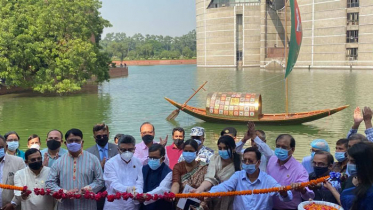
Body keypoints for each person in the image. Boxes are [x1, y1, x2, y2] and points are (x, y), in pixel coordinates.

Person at [209, 147, 292, 210]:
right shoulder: (238, 176)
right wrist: (209, 194)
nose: (247, 163)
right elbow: (224, 187)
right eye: (244, 160)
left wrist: (283, 193)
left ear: (258, 163)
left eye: (250, 161)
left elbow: (288, 197)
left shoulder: (267, 180)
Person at [46, 129, 104, 210]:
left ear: (82, 142)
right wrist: (64, 192)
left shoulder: (93, 159)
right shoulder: (59, 161)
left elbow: (100, 180)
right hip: (65, 205)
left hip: (87, 205)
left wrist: (88, 188)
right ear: (66, 143)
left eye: (77, 140)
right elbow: (49, 183)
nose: (74, 143)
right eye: (70, 141)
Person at [192, 135, 241, 210]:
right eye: (220, 148)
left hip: (233, 197)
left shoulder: (241, 161)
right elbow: (210, 178)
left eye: (225, 148)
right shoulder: (215, 158)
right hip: (215, 195)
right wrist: (200, 189)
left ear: (233, 149)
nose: (222, 150)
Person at [267, 134, 315, 210]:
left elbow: (309, 196)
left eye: (284, 147)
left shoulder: (300, 170)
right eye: (278, 146)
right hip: (269, 207)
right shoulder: (272, 160)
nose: (280, 149)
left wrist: (302, 189)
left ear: (292, 150)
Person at [325, 142, 373, 210]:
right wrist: (331, 188)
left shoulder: (370, 190)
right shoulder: (352, 178)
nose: (349, 164)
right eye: (348, 160)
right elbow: (346, 203)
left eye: (353, 161)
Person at [103, 135, 143, 210]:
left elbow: (140, 182)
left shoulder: (138, 162)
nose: (127, 152)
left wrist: (138, 193)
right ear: (118, 150)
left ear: (134, 149)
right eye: (124, 150)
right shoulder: (110, 163)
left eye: (130, 149)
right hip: (115, 205)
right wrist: (129, 190)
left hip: (133, 205)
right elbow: (113, 184)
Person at [86, 123, 118, 210]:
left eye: (104, 135)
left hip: (114, 188)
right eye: (99, 136)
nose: (102, 138)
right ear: (94, 137)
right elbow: (86, 173)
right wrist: (99, 167)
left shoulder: (117, 149)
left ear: (108, 134)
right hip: (97, 190)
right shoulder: (88, 152)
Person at [171, 139, 208, 210]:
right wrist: (172, 195)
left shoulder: (203, 167)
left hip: (200, 203)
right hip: (181, 203)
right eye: (185, 151)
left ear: (196, 152)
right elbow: (176, 183)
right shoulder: (178, 166)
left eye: (191, 151)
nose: (188, 153)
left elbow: (207, 188)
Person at [140, 144, 172, 210]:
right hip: (144, 207)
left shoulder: (169, 172)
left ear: (162, 158)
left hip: (161, 206)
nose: (152, 160)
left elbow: (162, 189)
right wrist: (138, 194)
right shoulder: (143, 169)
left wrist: (146, 195)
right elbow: (139, 183)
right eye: (150, 157)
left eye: (155, 158)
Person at [0, 135, 25, 210]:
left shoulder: (18, 162)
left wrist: (13, 203)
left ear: (6, 147)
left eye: (0, 147)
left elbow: (23, 184)